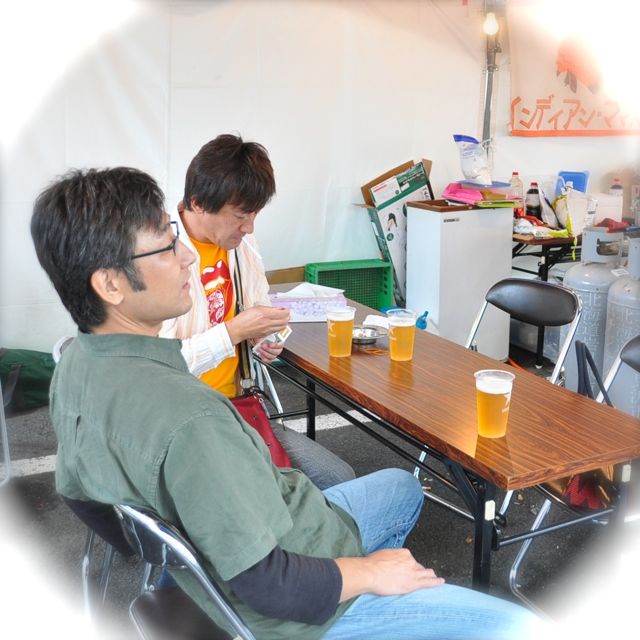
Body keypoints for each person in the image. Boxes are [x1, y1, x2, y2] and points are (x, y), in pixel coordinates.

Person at [32, 167, 540, 640]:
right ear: (110, 284)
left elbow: (78, 494)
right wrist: (368, 573)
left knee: (402, 487)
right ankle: (361, 610)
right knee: (522, 625)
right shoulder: (191, 418)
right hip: (292, 602)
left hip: (279, 522)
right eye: (167, 246)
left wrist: (173, 550)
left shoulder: (74, 364)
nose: (187, 256)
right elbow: (267, 584)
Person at [160, 134, 355, 489]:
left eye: (254, 214)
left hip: (240, 409)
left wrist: (263, 339)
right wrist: (234, 332)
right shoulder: (156, 258)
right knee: (275, 497)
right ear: (198, 203)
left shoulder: (242, 243)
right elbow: (157, 369)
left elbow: (257, 308)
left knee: (338, 478)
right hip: (182, 424)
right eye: (240, 215)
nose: (249, 227)